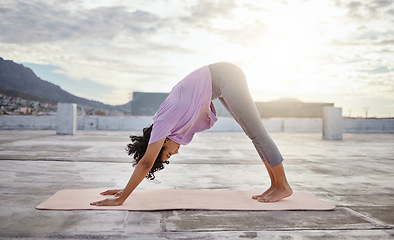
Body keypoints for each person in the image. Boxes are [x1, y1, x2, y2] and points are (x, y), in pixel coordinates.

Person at [90, 62, 293, 206]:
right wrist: (125, 189)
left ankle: (282, 185)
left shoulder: (164, 122)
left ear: (163, 142)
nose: (175, 154)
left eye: (168, 154)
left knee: (257, 133)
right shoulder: (165, 122)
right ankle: (275, 185)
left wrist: (123, 197)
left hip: (226, 75)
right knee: (253, 134)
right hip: (221, 78)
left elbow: (146, 163)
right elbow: (147, 160)